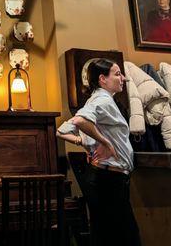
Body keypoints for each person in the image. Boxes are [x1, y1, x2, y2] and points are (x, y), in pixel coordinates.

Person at [56, 58, 141, 246]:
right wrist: (105, 142)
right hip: (109, 180)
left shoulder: (97, 100)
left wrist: (85, 142)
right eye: (117, 74)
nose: (123, 78)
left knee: (107, 235)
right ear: (103, 79)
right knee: (127, 236)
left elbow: (61, 130)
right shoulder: (103, 100)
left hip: (105, 177)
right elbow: (79, 121)